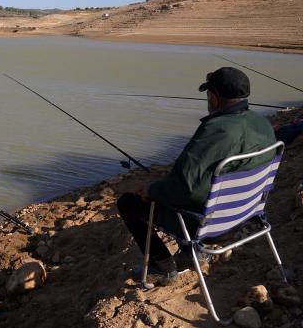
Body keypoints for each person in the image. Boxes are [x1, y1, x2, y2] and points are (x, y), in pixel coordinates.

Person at [117, 67, 276, 282]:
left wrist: (152, 191)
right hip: (246, 215)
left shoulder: (216, 129)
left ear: (214, 97)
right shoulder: (262, 123)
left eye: (208, 94)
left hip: (214, 227)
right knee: (196, 186)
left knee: (129, 203)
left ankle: (162, 268)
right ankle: (191, 253)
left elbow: (187, 189)